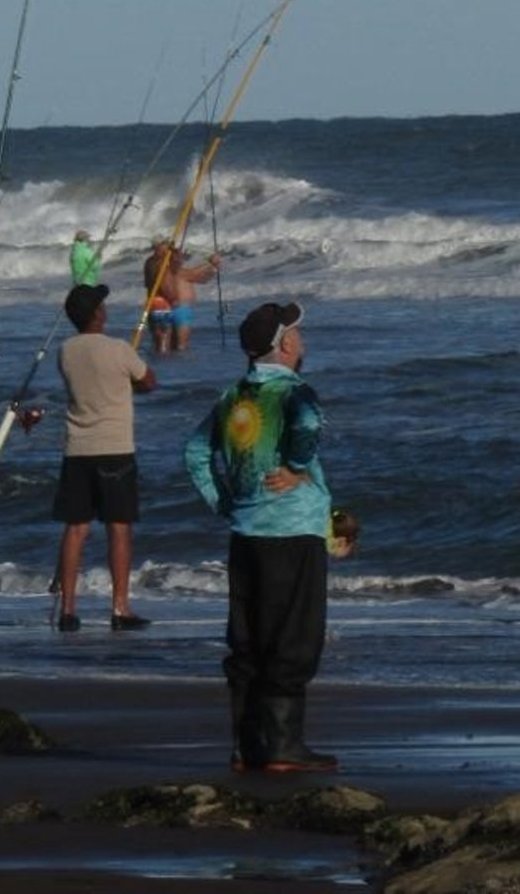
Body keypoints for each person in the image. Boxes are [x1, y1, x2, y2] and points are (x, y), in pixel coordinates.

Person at [183, 301, 338, 773]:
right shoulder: (295, 392)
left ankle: (246, 744)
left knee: (248, 639)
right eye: (299, 335)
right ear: (286, 344)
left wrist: (223, 501)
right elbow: (308, 424)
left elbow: (194, 453)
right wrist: (294, 466)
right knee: (295, 636)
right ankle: (284, 746)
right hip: (293, 529)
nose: (303, 342)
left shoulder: (231, 396)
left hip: (246, 531)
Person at [53, 284, 158, 632]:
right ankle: (120, 608)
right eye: (102, 305)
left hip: (77, 449)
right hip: (115, 448)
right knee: (119, 529)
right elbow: (148, 382)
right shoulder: (119, 349)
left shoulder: (65, 351)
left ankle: (67, 609)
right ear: (97, 314)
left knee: (76, 529)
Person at [146, 238, 222, 352]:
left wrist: (212, 266)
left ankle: (174, 367)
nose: (169, 247)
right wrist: (211, 264)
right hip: (161, 305)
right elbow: (194, 275)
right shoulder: (153, 264)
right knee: (164, 347)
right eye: (165, 244)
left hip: (177, 307)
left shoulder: (172, 267)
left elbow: (198, 277)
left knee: (176, 347)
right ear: (157, 247)